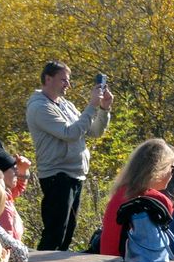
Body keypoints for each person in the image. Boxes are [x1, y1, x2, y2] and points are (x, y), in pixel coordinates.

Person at [27, 61, 112, 251]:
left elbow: (94, 131)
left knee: (66, 236)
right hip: (57, 176)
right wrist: (92, 105)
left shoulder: (66, 105)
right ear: (48, 79)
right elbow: (70, 133)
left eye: (68, 80)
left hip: (75, 175)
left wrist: (104, 109)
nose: (68, 84)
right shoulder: (39, 107)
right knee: (55, 235)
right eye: (63, 80)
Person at [99, 138, 174, 257]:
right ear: (160, 169)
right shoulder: (157, 201)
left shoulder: (118, 194)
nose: (172, 173)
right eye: (172, 168)